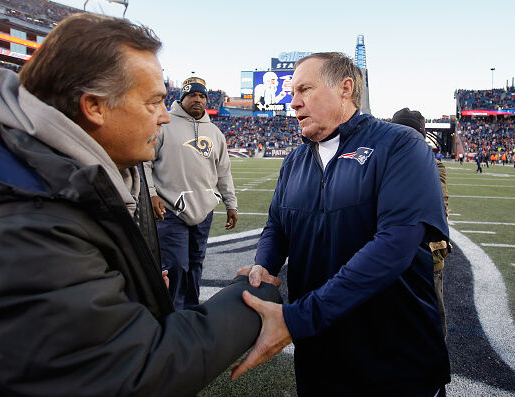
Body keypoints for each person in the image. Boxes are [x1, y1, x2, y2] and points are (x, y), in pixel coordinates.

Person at [0, 14, 281, 396]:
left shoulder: (51, 181)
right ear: (95, 106)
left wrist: (128, 284)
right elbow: (135, 374)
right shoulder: (16, 230)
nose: (163, 116)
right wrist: (254, 299)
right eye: (153, 101)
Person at [232, 52, 450, 396]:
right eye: (292, 92)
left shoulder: (400, 144)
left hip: (395, 360)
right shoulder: (295, 160)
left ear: (345, 88)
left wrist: (299, 318)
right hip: (319, 360)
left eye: (305, 89)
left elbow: (395, 245)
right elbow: (277, 225)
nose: (293, 102)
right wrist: (264, 264)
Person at [143, 77, 238, 310]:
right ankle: (172, 314)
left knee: (196, 263)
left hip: (204, 209)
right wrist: (151, 194)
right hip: (170, 208)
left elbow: (223, 172)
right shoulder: (163, 125)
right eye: (192, 95)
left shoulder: (215, 133)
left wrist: (231, 204)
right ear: (182, 98)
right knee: (174, 265)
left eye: (202, 96)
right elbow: (144, 162)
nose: (197, 99)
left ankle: (192, 311)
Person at [391, 107, 450, 338]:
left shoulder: (433, 167)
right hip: (389, 257)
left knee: (431, 319)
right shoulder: (384, 161)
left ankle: (436, 368)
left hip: (425, 255)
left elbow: (436, 210)